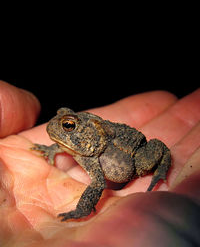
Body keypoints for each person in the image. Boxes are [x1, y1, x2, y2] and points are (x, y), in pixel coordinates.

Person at [0, 80, 199, 247]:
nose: (59, 126)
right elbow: (69, 146)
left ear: (84, 134)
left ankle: (161, 167)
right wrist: (51, 149)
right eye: (64, 121)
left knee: (146, 161)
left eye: (68, 126)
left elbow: (98, 183)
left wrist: (82, 210)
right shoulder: (83, 147)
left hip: (132, 152)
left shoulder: (92, 151)